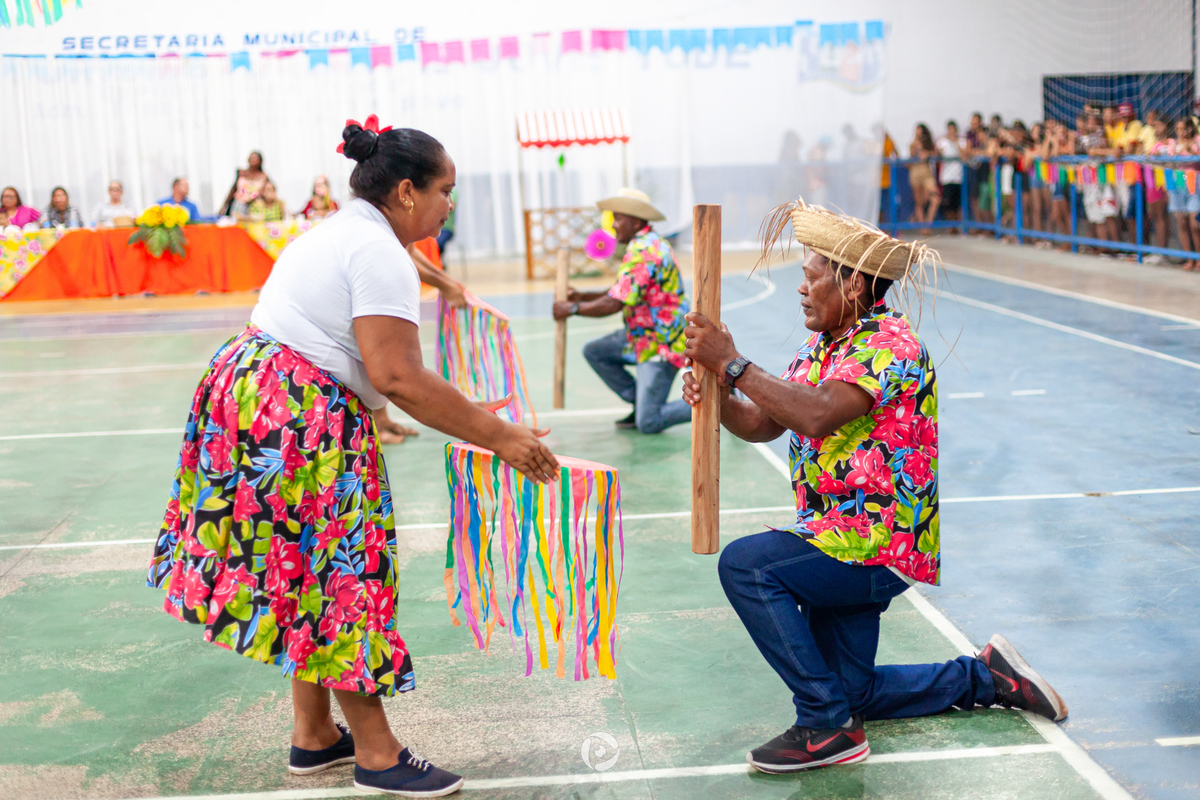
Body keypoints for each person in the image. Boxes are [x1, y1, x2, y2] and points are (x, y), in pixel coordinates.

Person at [146, 116, 558, 797]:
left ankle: (314, 735)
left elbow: (376, 340)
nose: (450, 203)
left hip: (254, 394)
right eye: (444, 190)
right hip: (297, 413)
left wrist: (446, 304)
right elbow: (397, 377)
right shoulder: (378, 253)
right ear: (405, 191)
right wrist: (501, 436)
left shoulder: (348, 229)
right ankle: (377, 753)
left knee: (304, 568)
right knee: (341, 574)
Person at [680, 199, 1068, 773]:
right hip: (835, 537)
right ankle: (986, 678)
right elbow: (764, 422)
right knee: (852, 690)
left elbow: (815, 414)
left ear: (853, 284)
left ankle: (826, 726)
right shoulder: (823, 345)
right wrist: (720, 395)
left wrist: (734, 363)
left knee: (747, 566)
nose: (801, 289)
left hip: (873, 543)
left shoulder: (890, 345)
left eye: (811, 277)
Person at [552, 188, 691, 434]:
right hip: (640, 337)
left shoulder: (644, 252)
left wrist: (572, 308)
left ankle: (720, 401)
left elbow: (614, 304)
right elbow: (621, 292)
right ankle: (641, 401)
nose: (613, 225)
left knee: (649, 422)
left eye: (617, 218)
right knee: (595, 351)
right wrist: (582, 297)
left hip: (661, 343)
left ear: (635, 222)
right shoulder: (645, 243)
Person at [907, 124, 939, 229]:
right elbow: (910, 157)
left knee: (935, 199)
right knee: (919, 201)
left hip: (926, 172)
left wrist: (928, 153)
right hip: (916, 172)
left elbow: (936, 153)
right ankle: (923, 227)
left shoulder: (929, 145)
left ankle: (928, 223)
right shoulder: (913, 145)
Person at [221, 150, 269, 217]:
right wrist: (224, 206)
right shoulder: (241, 173)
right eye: (251, 158)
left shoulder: (263, 176)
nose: (253, 160)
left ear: (260, 161)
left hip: (255, 207)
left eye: (255, 158)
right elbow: (233, 190)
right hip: (240, 204)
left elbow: (270, 190)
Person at [935, 120, 966, 222]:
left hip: (959, 177)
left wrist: (955, 142)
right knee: (948, 204)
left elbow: (964, 155)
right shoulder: (942, 141)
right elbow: (936, 154)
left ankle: (960, 224)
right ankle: (951, 225)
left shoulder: (961, 141)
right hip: (947, 177)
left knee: (959, 203)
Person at [436, 187, 456, 256]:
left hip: (446, 228)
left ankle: (439, 260)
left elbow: (451, 207)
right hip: (434, 227)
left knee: (438, 243)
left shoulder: (453, 191)